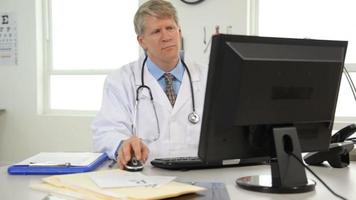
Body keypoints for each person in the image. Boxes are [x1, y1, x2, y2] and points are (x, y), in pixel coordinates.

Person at [92, 0, 207, 169]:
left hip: (201, 173)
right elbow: (105, 132)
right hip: (145, 177)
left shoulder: (208, 76)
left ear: (179, 31)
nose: (166, 37)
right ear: (142, 41)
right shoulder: (121, 80)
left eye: (170, 28)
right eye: (156, 31)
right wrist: (122, 144)